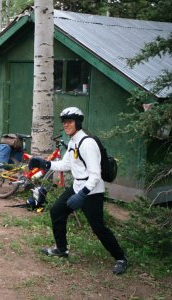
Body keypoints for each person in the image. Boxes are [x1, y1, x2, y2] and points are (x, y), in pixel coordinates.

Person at [28, 107, 128, 275]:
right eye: (64, 122)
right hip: (77, 186)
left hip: (92, 191)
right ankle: (61, 249)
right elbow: (66, 164)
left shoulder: (87, 143)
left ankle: (121, 258)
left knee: (98, 227)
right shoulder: (74, 141)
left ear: (78, 122)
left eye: (70, 122)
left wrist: (82, 195)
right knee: (57, 211)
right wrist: (44, 164)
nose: (66, 125)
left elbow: (95, 175)